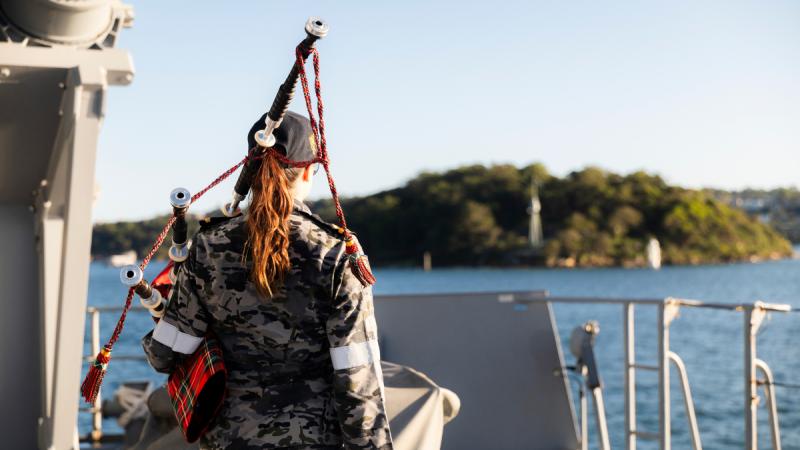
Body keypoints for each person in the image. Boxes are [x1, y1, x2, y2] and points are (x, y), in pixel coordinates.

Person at [142, 111, 394, 450]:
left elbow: (165, 356)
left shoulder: (208, 245)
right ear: (307, 170)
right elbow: (356, 378)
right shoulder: (336, 252)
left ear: (252, 170)